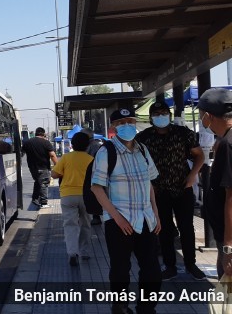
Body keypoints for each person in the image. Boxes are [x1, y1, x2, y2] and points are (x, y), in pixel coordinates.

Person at [90, 108, 161, 314]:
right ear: (114, 127)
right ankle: (120, 307)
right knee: (120, 270)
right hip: (119, 221)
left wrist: (155, 213)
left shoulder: (143, 150)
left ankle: (146, 308)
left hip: (146, 219)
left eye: (130, 121)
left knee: (152, 271)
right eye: (122, 123)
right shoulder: (106, 152)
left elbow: (149, 183)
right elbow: (97, 187)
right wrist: (116, 217)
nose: (127, 125)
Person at [135, 100, 206, 281]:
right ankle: (170, 265)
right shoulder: (143, 137)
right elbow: (137, 162)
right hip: (158, 191)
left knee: (186, 227)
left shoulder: (184, 134)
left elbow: (200, 156)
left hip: (182, 187)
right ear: (151, 118)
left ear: (170, 114)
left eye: (164, 113)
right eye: (157, 114)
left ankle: (191, 263)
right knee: (164, 229)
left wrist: (192, 176)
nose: (161, 116)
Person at [198, 88, 232, 279]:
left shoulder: (228, 143)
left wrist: (228, 247)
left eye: (201, 115)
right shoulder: (224, 140)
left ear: (209, 116)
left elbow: (231, 197)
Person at [51, 132, 94, 266]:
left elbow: (54, 174)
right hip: (87, 196)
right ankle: (85, 252)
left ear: (72, 145)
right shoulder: (91, 159)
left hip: (68, 195)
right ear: (87, 145)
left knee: (70, 225)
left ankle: (72, 253)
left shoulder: (66, 157)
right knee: (86, 224)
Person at [22, 127, 57, 208]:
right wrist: (57, 165)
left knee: (38, 182)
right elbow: (52, 155)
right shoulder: (46, 142)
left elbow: (21, 153)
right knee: (44, 183)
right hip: (43, 167)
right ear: (43, 134)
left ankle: (35, 198)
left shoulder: (28, 142)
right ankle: (44, 202)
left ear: (36, 133)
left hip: (32, 168)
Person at [82, 127, 104, 226]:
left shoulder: (93, 145)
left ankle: (96, 216)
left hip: (95, 173)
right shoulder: (93, 144)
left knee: (95, 195)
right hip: (93, 173)